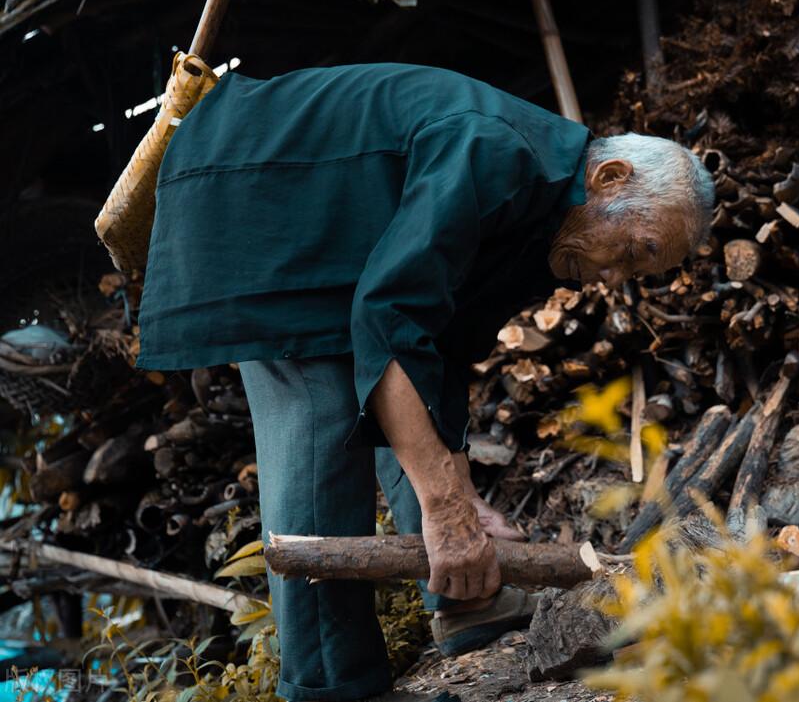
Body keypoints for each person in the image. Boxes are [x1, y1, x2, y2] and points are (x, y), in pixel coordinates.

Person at [135, 63, 715, 701]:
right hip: (250, 187)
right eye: (633, 250)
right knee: (321, 414)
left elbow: (437, 347)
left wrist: (459, 491)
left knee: (409, 380)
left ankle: (465, 599)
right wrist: (442, 507)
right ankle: (331, 687)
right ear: (608, 178)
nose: (616, 277)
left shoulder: (549, 224)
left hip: (310, 209)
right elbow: (390, 316)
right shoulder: (492, 151)